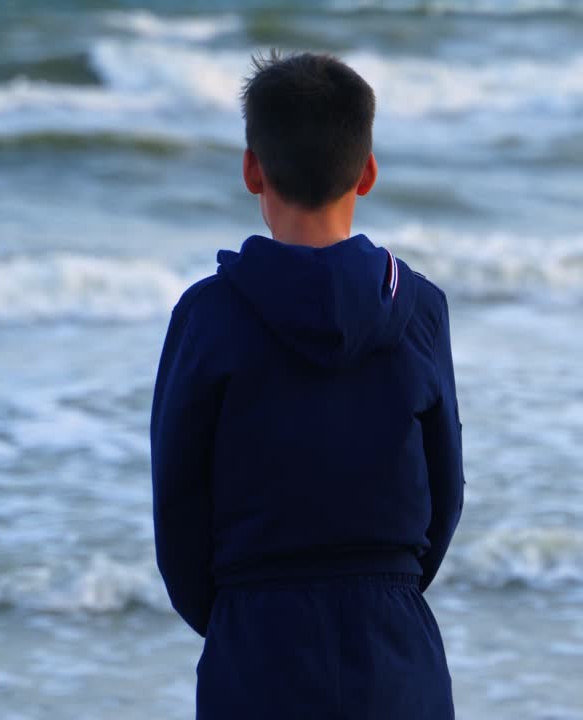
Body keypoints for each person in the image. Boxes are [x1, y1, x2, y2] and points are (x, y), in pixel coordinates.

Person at [149, 51, 464, 719]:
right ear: (369, 171)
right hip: (395, 645)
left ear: (251, 169)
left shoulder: (209, 315)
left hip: (256, 640)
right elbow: (446, 494)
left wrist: (236, 615)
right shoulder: (421, 311)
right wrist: (389, 586)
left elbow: (177, 505)